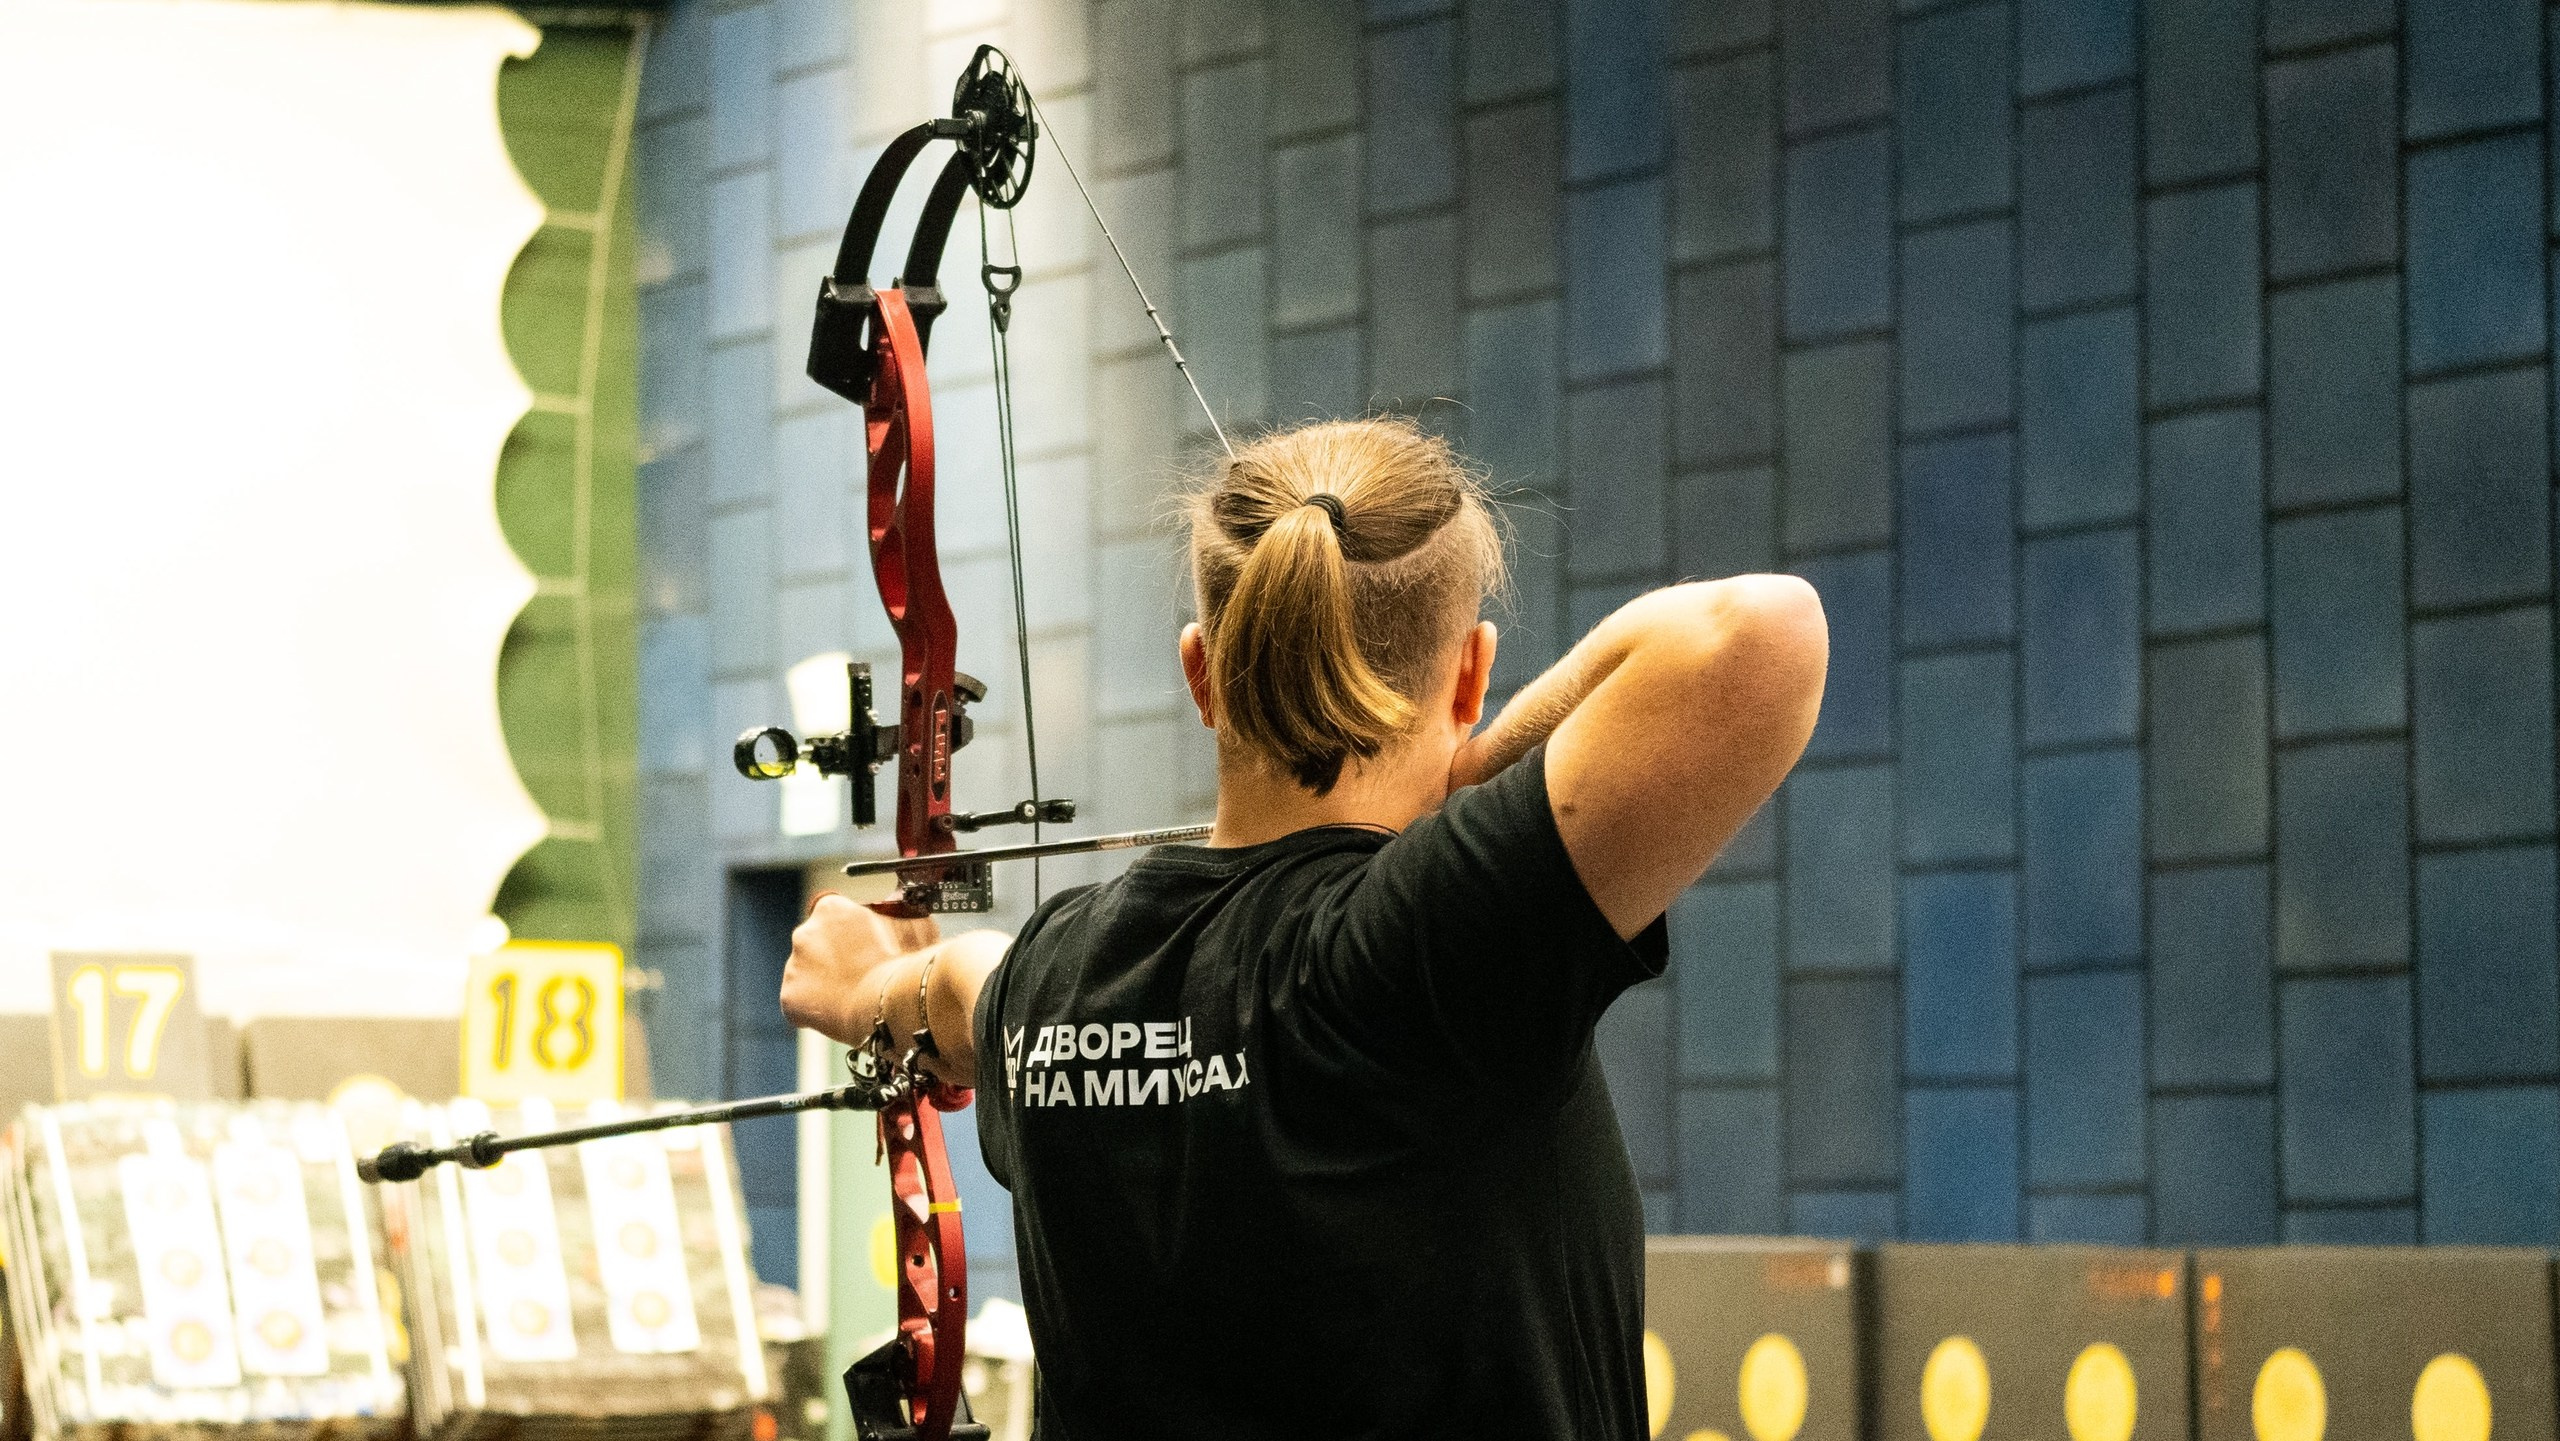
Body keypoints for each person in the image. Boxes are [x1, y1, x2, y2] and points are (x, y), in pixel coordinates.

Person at [781, 417, 1827, 1440]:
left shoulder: (1056, 987)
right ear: (1469, 671)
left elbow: (964, 986)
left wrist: (860, 990)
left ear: (1200, 674)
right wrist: (1475, 764)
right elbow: (1759, 631)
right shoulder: (1421, 946)